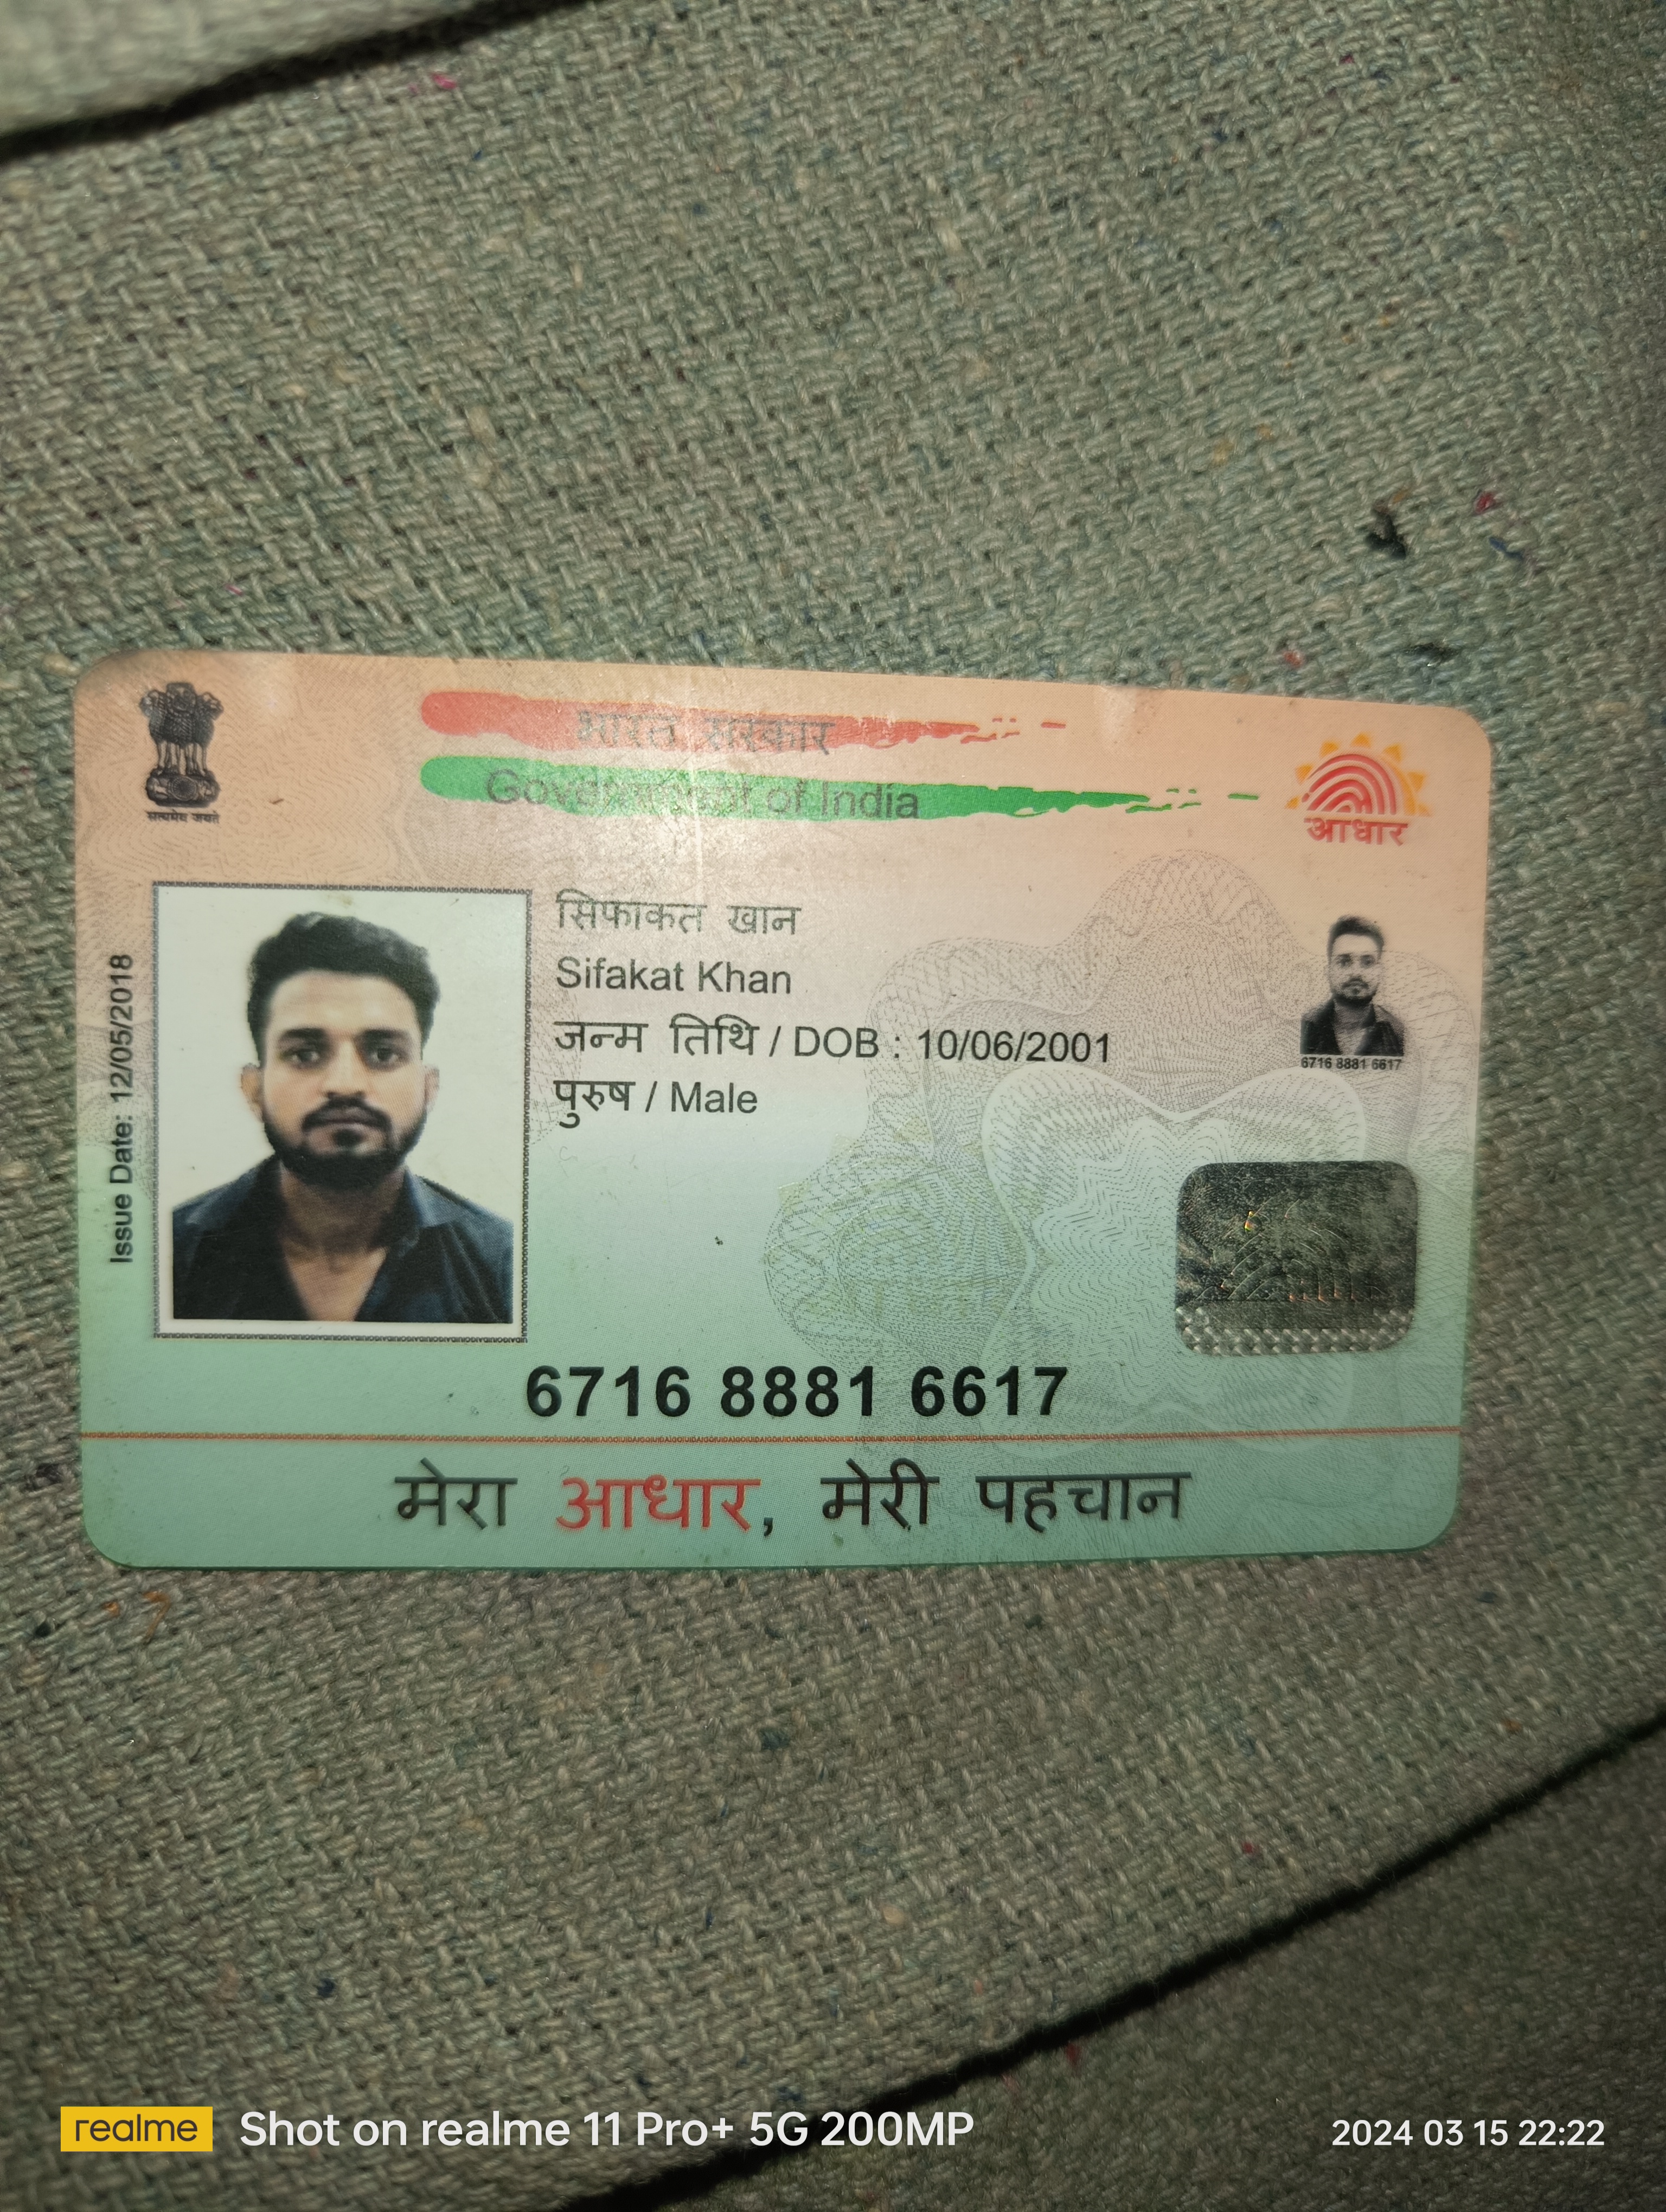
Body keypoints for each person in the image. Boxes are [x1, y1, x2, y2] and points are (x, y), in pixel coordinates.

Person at [172, 912, 514, 1323]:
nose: (346, 1084)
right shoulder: (169, 1253)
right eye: (305, 1054)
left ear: (428, 1089)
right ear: (254, 1089)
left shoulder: (504, 1263)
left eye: (383, 1054)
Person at [1300, 916, 1405, 1059]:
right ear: (1329, 972)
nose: (1356, 973)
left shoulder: (1397, 1031)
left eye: (1367, 962)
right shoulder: (1304, 1028)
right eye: (1344, 962)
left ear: (1380, 972)